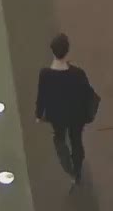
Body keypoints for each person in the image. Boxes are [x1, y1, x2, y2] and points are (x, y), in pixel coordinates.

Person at [33, 33, 99, 185]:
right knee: (76, 140)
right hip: (77, 115)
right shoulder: (77, 73)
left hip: (57, 115)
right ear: (67, 50)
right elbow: (87, 93)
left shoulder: (45, 74)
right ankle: (77, 168)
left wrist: (38, 114)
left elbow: (42, 96)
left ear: (52, 51)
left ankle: (69, 168)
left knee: (59, 138)